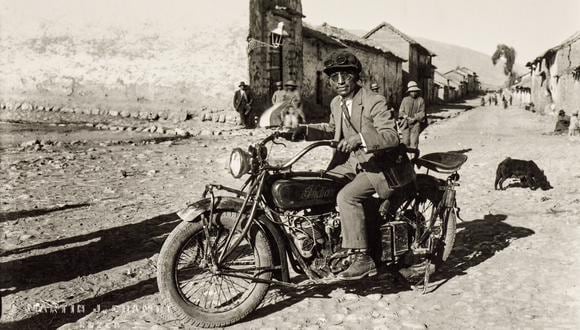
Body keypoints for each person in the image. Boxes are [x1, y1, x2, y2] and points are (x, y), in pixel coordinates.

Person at [283, 50, 410, 280]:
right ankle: (322, 241)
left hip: (379, 166)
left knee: (347, 197)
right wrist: (302, 131)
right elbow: (332, 130)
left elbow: (391, 135)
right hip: (352, 163)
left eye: (345, 76)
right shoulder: (336, 103)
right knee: (316, 186)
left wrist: (360, 139)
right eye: (334, 77)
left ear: (356, 76)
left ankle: (363, 258)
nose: (340, 82)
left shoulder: (374, 101)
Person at [398, 81, 426, 149]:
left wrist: (415, 118)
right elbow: (401, 111)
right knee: (405, 142)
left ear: (417, 91)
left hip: (415, 124)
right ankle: (406, 158)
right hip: (405, 124)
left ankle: (413, 158)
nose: (413, 93)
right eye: (412, 91)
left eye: (415, 91)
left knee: (414, 142)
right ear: (409, 92)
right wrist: (405, 116)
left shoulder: (421, 100)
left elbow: (422, 112)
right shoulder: (405, 100)